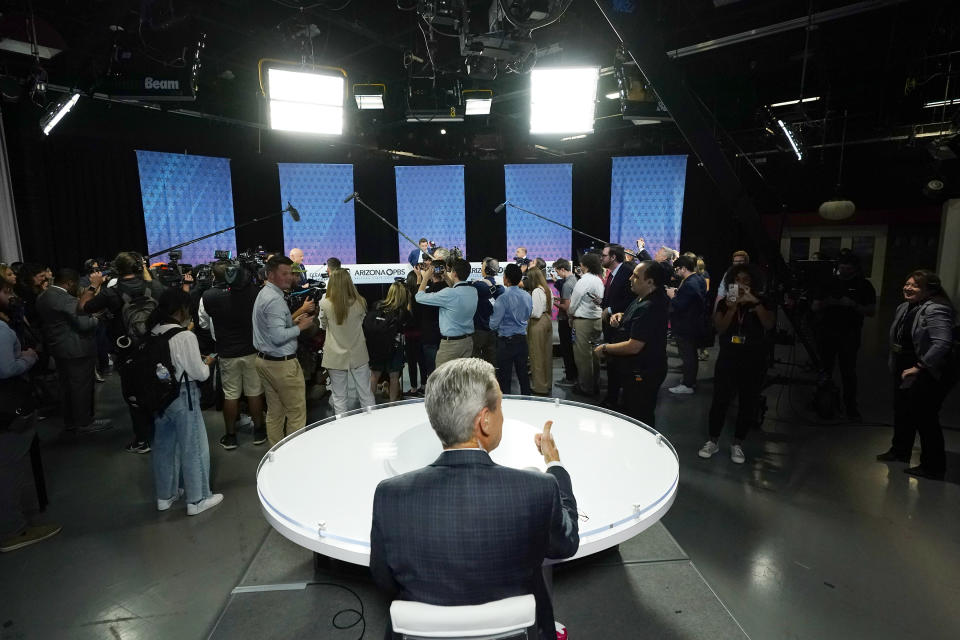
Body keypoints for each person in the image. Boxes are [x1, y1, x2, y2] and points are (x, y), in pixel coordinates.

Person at [369, 358, 579, 640]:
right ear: (486, 419)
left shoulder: (390, 496)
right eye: (500, 407)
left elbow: (385, 582)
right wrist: (554, 464)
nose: (502, 416)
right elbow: (566, 544)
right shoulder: (537, 489)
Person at [147, 288, 223, 515]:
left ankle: (166, 495)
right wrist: (207, 363)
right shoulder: (185, 336)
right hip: (183, 395)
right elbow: (199, 374)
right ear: (181, 309)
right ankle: (197, 499)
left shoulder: (153, 331)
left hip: (160, 396)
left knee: (163, 446)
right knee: (194, 446)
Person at [0, 280, 62, 552]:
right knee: (9, 468)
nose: (11, 295)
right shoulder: (1, 330)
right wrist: (29, 356)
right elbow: (6, 368)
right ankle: (13, 531)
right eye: (6, 292)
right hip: (9, 407)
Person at [83, 251, 165, 453]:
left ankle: (142, 439)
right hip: (155, 348)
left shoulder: (111, 293)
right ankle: (163, 435)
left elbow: (83, 307)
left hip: (127, 351)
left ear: (116, 270)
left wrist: (94, 284)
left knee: (134, 396)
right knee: (159, 390)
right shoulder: (154, 286)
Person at [878, 270, 957, 480]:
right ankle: (899, 451)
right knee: (902, 410)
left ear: (929, 290)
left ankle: (933, 466)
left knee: (925, 416)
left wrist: (920, 366)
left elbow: (942, 343)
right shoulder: (904, 307)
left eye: (915, 285)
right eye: (907, 283)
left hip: (926, 370)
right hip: (904, 366)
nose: (908, 288)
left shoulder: (936, 309)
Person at [698, 265, 775, 465]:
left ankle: (737, 443)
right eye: (737, 280)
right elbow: (720, 328)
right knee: (720, 400)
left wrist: (755, 303)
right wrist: (732, 307)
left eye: (746, 280)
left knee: (748, 402)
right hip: (728, 358)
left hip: (754, 359)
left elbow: (769, 325)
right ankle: (712, 441)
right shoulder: (725, 302)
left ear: (753, 283)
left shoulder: (762, 301)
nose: (741, 284)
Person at [199, 261, 267, 450]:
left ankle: (230, 436)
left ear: (215, 277)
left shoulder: (208, 296)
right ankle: (259, 431)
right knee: (254, 392)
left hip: (226, 352)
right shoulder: (251, 292)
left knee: (230, 395)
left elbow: (204, 324)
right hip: (251, 349)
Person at [594, 261, 670, 427]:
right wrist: (621, 316)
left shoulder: (651, 306)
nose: (630, 278)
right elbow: (635, 320)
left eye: (636, 276)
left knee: (640, 418)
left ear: (650, 282)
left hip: (644, 371)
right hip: (634, 370)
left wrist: (605, 348)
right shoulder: (641, 299)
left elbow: (634, 345)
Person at [35, 268, 111, 434]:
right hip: (77, 350)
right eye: (75, 284)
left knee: (68, 387)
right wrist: (97, 318)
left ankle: (71, 421)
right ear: (69, 283)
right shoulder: (65, 299)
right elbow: (84, 324)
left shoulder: (43, 296)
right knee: (81, 387)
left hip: (59, 348)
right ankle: (85, 422)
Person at [252, 256, 315, 445]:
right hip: (281, 365)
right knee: (296, 413)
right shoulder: (274, 300)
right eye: (284, 273)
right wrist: (300, 327)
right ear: (271, 275)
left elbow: (272, 329)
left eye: (291, 273)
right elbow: (278, 337)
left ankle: (275, 455)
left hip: (265, 361)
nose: (289, 277)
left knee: (275, 412)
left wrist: (291, 323)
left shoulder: (265, 294)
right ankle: (292, 460)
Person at [811, 252, 877, 420]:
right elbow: (815, 307)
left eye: (848, 268)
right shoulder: (828, 283)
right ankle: (821, 402)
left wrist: (853, 305)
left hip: (850, 334)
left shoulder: (864, 286)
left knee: (848, 371)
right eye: (841, 268)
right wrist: (829, 302)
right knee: (824, 370)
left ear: (855, 269)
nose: (844, 271)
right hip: (826, 332)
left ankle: (851, 407)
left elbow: (871, 310)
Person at [320, 268, 376, 414]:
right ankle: (374, 425)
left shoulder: (325, 304)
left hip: (335, 355)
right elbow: (362, 320)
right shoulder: (360, 302)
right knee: (366, 393)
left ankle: (342, 431)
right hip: (358, 352)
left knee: (339, 397)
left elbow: (323, 325)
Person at [415, 258, 477, 368]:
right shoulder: (473, 291)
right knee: (461, 378)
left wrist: (424, 278)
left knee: (441, 379)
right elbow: (457, 288)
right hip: (468, 342)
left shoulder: (449, 293)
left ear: (454, 273)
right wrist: (447, 278)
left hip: (451, 345)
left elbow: (419, 297)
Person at [489, 263, 532, 395]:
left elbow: (493, 324)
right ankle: (528, 404)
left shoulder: (502, 298)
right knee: (524, 377)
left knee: (505, 378)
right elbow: (528, 314)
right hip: (522, 340)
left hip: (505, 343)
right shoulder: (527, 296)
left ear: (506, 279)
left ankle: (506, 408)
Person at [667, 255, 706, 395]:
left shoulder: (689, 283)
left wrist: (672, 295)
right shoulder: (698, 279)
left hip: (686, 325)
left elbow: (680, 305)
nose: (676, 272)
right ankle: (690, 381)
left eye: (677, 269)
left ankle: (688, 384)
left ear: (683, 268)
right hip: (692, 324)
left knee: (688, 355)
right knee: (691, 355)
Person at [600, 244, 633, 408]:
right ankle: (612, 396)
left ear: (613, 257)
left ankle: (615, 399)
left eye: (604, 255)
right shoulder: (612, 274)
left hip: (620, 327)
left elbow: (631, 298)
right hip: (610, 325)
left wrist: (611, 309)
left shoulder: (627, 273)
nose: (601, 258)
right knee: (612, 364)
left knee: (618, 365)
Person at [367, 281, 411, 403]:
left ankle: (368, 405)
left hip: (376, 346)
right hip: (395, 348)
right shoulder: (402, 312)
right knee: (394, 377)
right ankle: (392, 405)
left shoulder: (377, 305)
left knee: (374, 376)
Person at [568, 252, 604, 396]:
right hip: (597, 320)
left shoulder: (584, 281)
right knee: (594, 356)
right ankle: (594, 384)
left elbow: (574, 303)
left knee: (583, 357)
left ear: (585, 265)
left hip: (583, 322)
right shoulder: (598, 280)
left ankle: (585, 387)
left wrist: (570, 314)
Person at [525, 267, 553, 395]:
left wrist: (525, 312)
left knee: (536, 355)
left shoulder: (536, 291)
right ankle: (547, 383)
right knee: (547, 354)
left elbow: (535, 313)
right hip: (547, 319)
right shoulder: (547, 289)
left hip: (538, 323)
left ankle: (540, 387)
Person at [471, 258, 503, 366]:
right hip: (495, 331)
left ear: (486, 270)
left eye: (483, 266)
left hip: (479, 330)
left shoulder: (478, 286)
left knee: (476, 363)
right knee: (492, 362)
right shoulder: (501, 288)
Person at [552, 258, 579, 386]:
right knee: (570, 349)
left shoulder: (567, 284)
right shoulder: (574, 280)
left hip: (565, 321)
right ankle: (573, 374)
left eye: (558, 272)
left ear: (563, 269)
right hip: (571, 321)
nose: (557, 274)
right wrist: (558, 299)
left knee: (566, 349)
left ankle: (570, 378)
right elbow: (566, 300)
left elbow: (566, 307)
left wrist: (553, 302)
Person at [403, 271, 427, 395]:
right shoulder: (422, 295)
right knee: (422, 361)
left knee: (412, 363)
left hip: (410, 334)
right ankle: (423, 386)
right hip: (422, 333)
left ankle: (413, 388)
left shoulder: (407, 296)